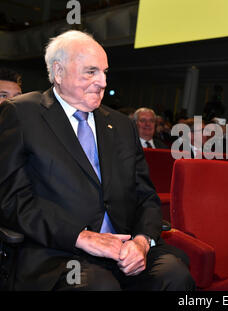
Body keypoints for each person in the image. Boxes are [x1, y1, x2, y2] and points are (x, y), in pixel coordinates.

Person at [0, 30, 194, 291]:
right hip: (57, 251)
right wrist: (81, 237)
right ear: (58, 72)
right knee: (100, 286)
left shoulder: (121, 124)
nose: (102, 82)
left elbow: (146, 196)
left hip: (122, 247)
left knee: (174, 274)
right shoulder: (22, 114)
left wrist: (141, 241)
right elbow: (12, 200)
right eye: (91, 72)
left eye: (104, 72)